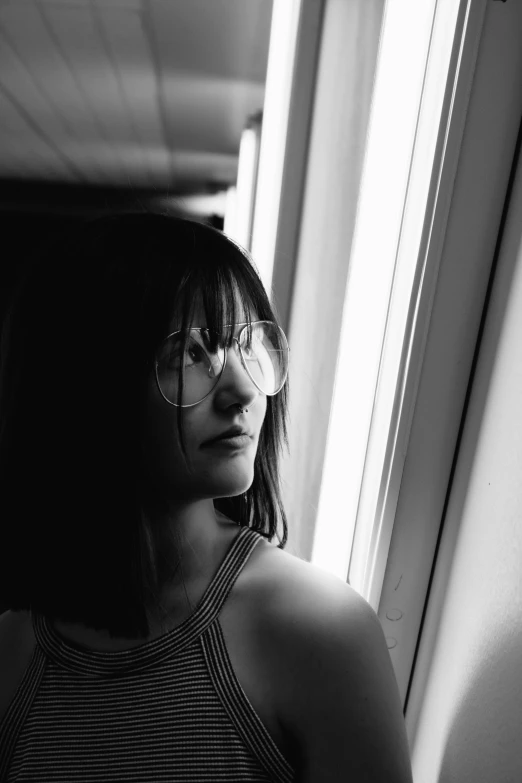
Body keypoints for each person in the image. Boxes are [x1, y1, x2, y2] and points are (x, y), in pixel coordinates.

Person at [0, 212, 413, 782]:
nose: (244, 390)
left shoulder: (319, 632)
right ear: (87, 383)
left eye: (251, 346)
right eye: (191, 354)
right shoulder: (13, 656)